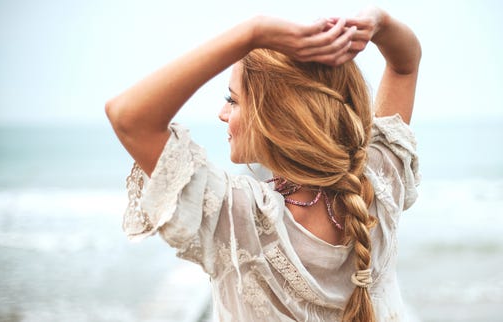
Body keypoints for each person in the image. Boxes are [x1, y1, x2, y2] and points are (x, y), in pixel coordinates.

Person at [106, 6, 421, 322]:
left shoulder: (240, 217)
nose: (222, 113)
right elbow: (405, 65)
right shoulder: (379, 180)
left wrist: (252, 33)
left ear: (275, 116)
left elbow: (128, 116)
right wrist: (379, 23)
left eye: (233, 100)